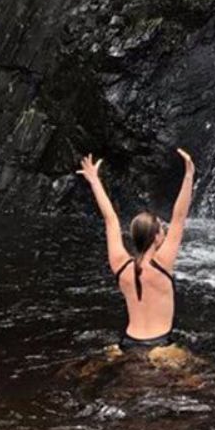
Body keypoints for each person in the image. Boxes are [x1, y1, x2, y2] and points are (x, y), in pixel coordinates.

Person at [77, 147, 195, 351]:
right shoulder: (163, 263)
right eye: (162, 229)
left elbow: (110, 219)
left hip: (127, 344)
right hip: (160, 346)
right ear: (157, 237)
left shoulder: (120, 265)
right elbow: (179, 216)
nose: (165, 231)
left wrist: (94, 181)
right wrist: (188, 175)